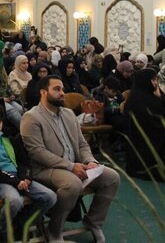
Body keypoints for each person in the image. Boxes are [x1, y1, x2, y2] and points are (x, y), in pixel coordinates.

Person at [21, 75, 120, 243]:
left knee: (112, 177)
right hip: (45, 169)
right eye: (57, 89)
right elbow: (37, 152)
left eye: (62, 89)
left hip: (75, 165)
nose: (62, 93)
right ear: (43, 92)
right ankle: (54, 230)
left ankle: (94, 221)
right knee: (72, 184)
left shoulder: (68, 114)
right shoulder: (31, 117)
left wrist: (90, 161)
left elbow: (82, 144)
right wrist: (70, 166)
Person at [0, 99, 56, 239]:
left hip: (17, 177)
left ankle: (22, 222)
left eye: (0, 121)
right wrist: (15, 181)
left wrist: (26, 177)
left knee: (50, 197)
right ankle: (3, 230)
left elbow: (23, 161)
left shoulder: (9, 137)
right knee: (15, 201)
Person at [123, 68, 165, 180]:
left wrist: (160, 96)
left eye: (155, 80)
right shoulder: (137, 99)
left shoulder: (152, 94)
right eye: (153, 80)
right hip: (146, 138)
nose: (155, 83)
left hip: (155, 132)